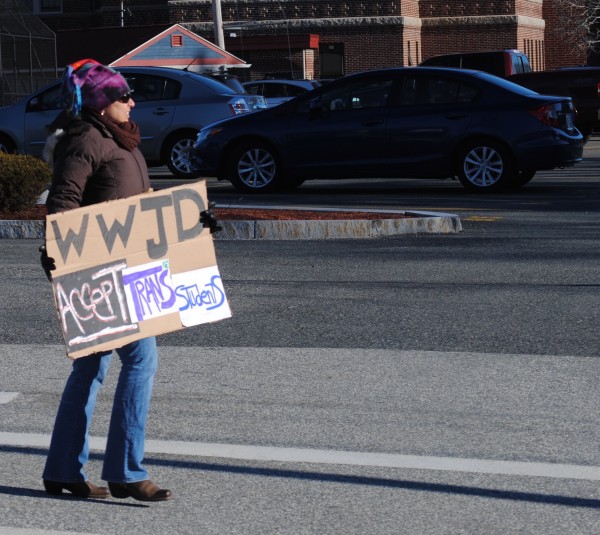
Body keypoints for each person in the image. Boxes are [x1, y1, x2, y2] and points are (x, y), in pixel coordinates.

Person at [38, 59, 220, 502]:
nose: (131, 101)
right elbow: (63, 201)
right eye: (122, 96)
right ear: (101, 102)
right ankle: (125, 471)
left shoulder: (121, 139)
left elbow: (141, 203)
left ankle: (64, 469)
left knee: (91, 368)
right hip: (102, 272)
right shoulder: (85, 140)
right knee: (141, 361)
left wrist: (192, 223)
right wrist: (58, 256)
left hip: (131, 265)